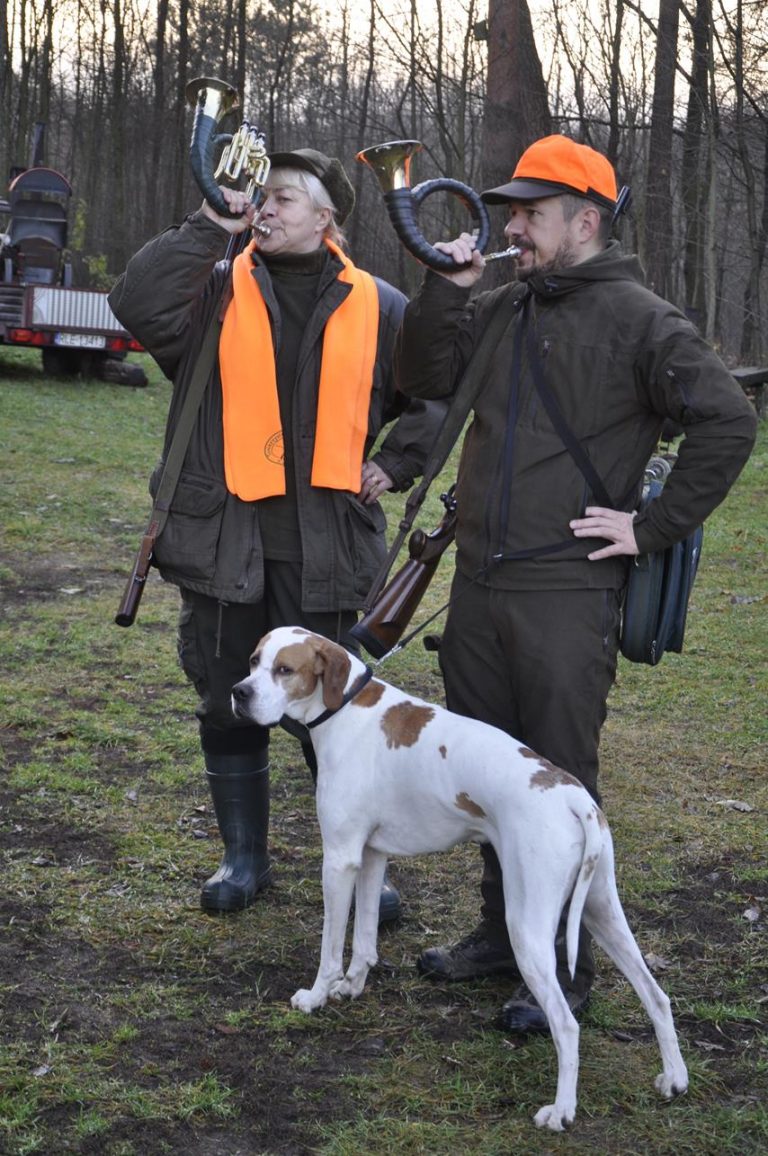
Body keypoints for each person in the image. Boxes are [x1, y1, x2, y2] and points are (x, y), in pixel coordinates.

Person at [395, 134, 758, 1033]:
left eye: (530, 213)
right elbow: (420, 376)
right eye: (511, 210)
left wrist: (652, 525)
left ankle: (559, 970)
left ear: (585, 221)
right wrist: (448, 290)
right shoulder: (505, 305)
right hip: (477, 585)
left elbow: (727, 419)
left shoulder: (644, 321)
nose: (512, 226)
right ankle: (496, 936)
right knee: (487, 774)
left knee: (554, 784)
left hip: (566, 595)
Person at [109, 148, 444, 920]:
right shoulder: (214, 288)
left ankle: (366, 866)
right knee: (228, 699)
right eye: (266, 195)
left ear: (328, 218)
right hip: (226, 539)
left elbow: (432, 386)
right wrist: (209, 223)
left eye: (287, 198)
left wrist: (397, 460)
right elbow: (136, 300)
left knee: (342, 716)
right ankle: (244, 859)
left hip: (328, 546)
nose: (270, 206)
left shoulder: (381, 303)